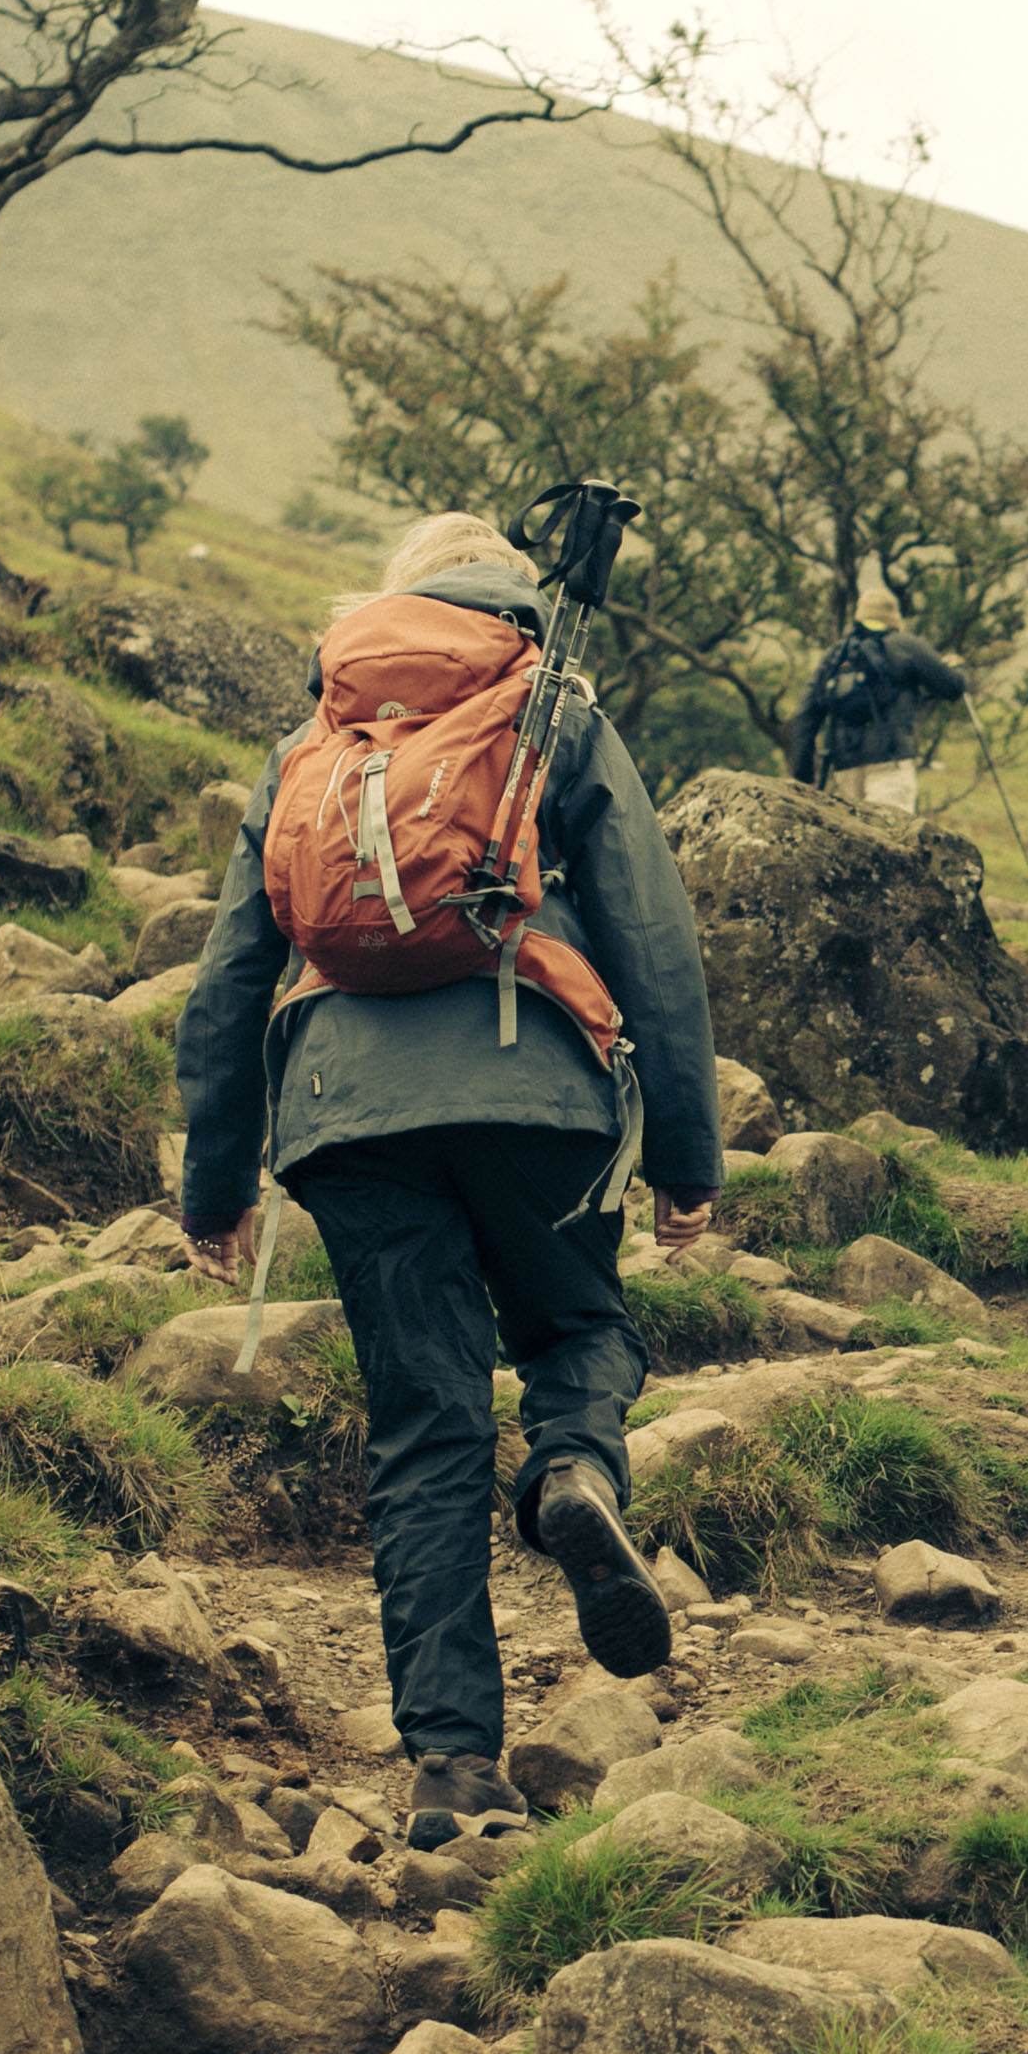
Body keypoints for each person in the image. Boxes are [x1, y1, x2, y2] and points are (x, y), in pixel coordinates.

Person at [175, 511, 726, 1840]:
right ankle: (571, 1476)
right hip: (537, 1092)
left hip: (348, 1121)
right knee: (578, 1326)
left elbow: (229, 978)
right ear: (516, 602)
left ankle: (453, 1778)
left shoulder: (316, 742)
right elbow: (657, 941)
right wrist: (690, 1161)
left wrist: (216, 1183)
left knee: (425, 1434)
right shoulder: (554, 714)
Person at [790, 584, 969, 813]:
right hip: (890, 762)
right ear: (893, 617)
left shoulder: (836, 655)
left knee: (852, 839)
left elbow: (806, 714)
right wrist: (959, 668)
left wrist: (803, 777)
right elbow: (952, 687)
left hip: (844, 767)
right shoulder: (905, 646)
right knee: (892, 837)